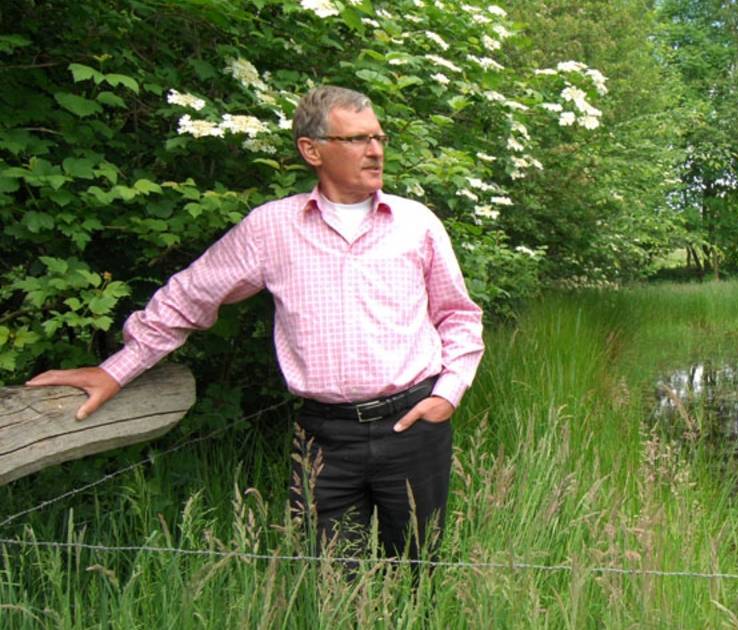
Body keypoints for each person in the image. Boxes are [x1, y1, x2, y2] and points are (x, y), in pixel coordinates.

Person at [26, 85, 485, 565]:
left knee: (417, 572)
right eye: (356, 139)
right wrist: (116, 370)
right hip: (324, 436)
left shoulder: (417, 223)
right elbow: (190, 295)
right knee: (328, 584)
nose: (374, 150)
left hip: (412, 424)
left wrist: (446, 394)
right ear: (311, 150)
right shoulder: (271, 228)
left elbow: (458, 315)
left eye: (379, 137)